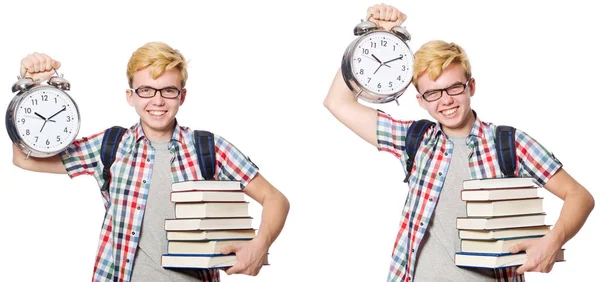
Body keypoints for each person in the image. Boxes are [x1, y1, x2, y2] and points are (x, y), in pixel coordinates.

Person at [323, 4, 594, 282]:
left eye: (454, 87)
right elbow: (337, 102)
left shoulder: (509, 143)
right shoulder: (414, 140)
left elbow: (579, 196)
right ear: (421, 101)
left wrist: (552, 240)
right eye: (433, 93)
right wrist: (377, 35)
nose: (446, 101)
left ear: (470, 87)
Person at [12, 42, 290, 282]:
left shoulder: (210, 148)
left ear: (182, 96)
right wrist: (31, 88)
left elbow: (275, 199)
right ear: (130, 96)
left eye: (168, 90)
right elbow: (25, 158)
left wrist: (261, 243)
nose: (157, 101)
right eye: (146, 90)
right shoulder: (110, 146)